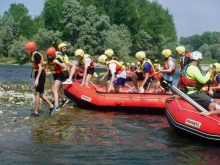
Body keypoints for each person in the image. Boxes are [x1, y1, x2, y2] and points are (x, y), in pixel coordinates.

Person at [178, 51, 219, 116]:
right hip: (193, 93)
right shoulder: (194, 68)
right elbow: (203, 81)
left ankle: (213, 115)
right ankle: (214, 116)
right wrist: (209, 72)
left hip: (189, 91)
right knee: (213, 102)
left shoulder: (188, 67)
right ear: (198, 59)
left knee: (211, 102)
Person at [25, 42, 56, 117]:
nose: (26, 51)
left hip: (41, 74)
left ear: (30, 49)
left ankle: (36, 112)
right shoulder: (33, 55)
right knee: (40, 94)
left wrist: (37, 79)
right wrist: (34, 75)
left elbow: (40, 67)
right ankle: (52, 106)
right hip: (38, 73)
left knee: (37, 93)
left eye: (27, 49)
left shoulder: (36, 55)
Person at [46, 47, 68, 114]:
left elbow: (65, 66)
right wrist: (46, 71)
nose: (49, 56)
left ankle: (56, 106)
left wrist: (58, 62)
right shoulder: (49, 58)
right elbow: (47, 63)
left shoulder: (58, 58)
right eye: (48, 55)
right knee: (54, 90)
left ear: (53, 54)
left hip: (60, 75)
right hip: (54, 75)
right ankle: (64, 100)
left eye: (50, 55)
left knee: (55, 90)